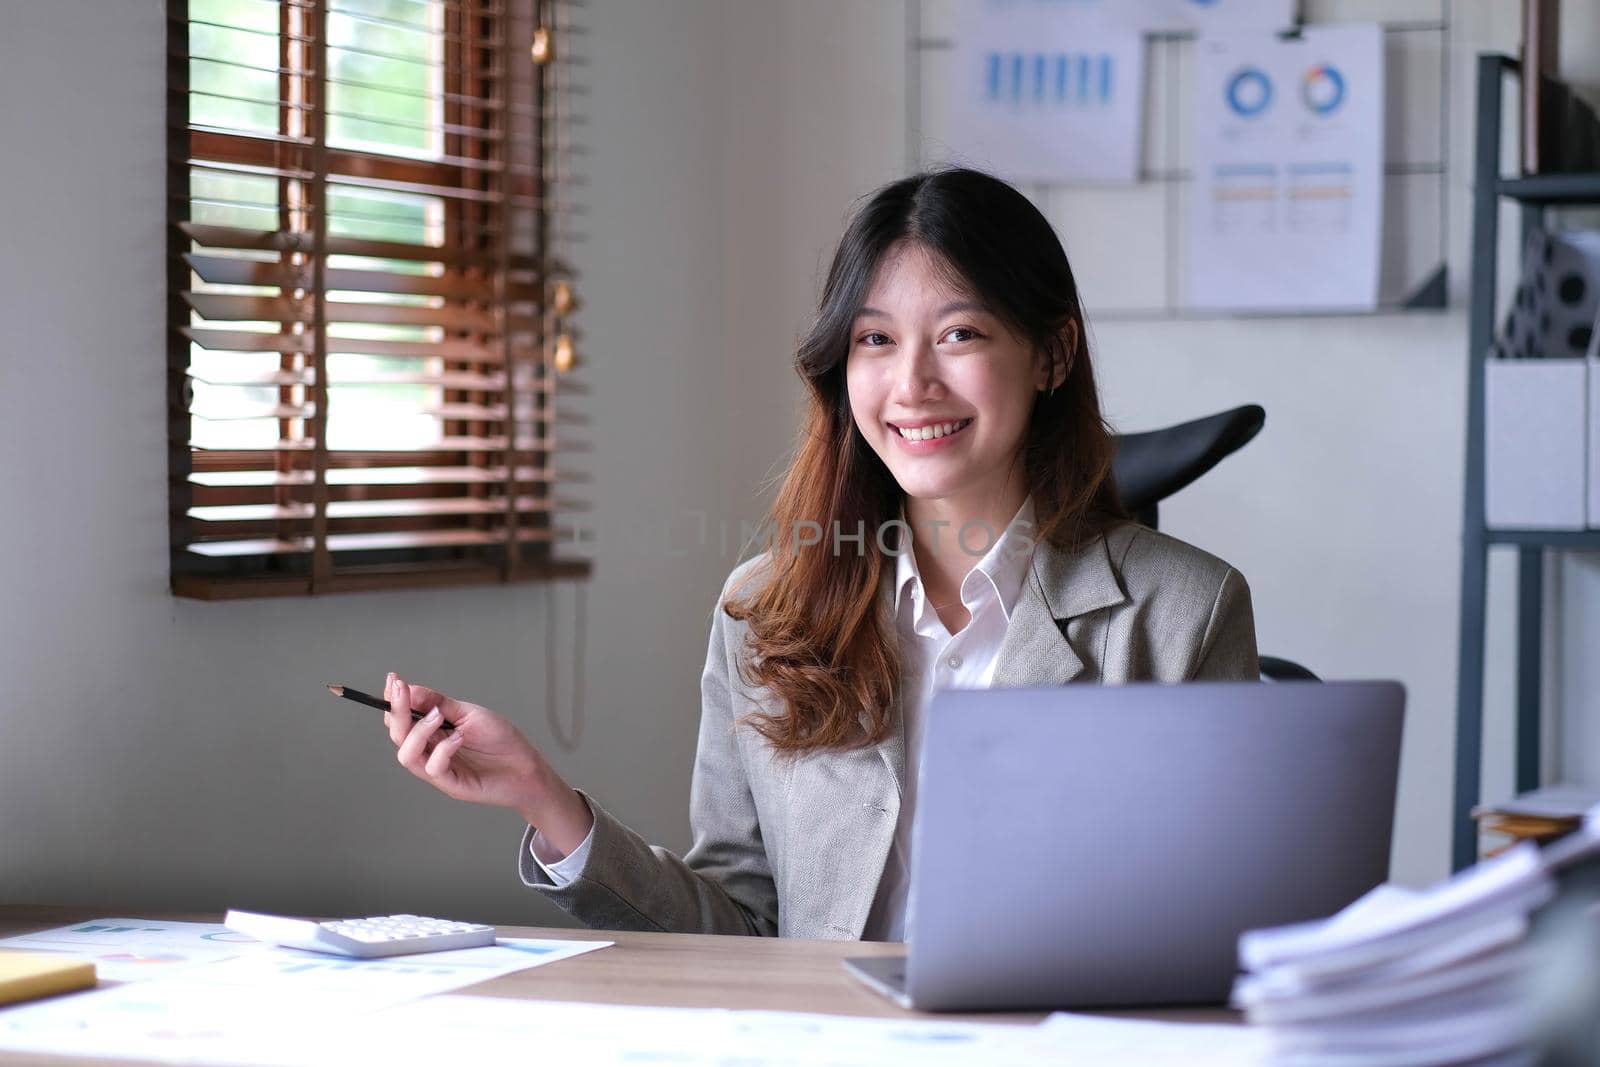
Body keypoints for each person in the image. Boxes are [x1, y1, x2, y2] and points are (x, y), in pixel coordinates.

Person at [382, 166, 1258, 941]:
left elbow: (1220, 927)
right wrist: (545, 799)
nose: (912, 383)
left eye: (960, 334)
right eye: (875, 339)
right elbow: (743, 923)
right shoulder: (765, 611)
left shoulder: (1185, 612)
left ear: (1052, 353)